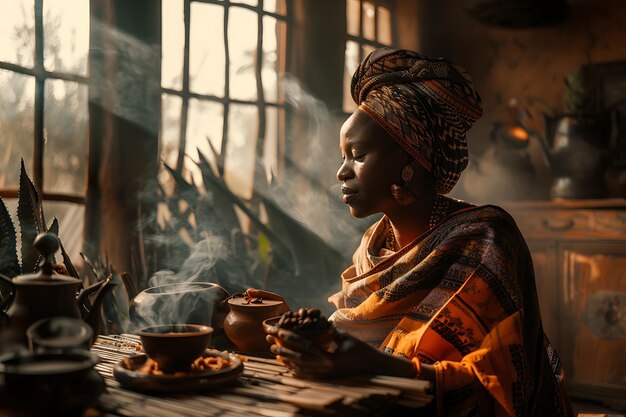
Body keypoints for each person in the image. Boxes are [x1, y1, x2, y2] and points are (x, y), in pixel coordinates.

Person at [252, 47, 574, 417]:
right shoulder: (374, 243)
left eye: (357, 155)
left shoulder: (485, 238)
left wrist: (375, 365)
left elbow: (500, 385)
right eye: (343, 156)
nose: (342, 172)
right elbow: (359, 336)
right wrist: (290, 321)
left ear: (409, 158)